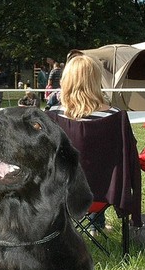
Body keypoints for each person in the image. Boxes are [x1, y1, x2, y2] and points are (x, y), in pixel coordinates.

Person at [48, 54, 120, 232]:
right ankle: (97, 224)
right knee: (98, 166)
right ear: (97, 81)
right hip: (104, 195)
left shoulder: (53, 115)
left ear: (66, 80)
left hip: (60, 193)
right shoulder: (115, 116)